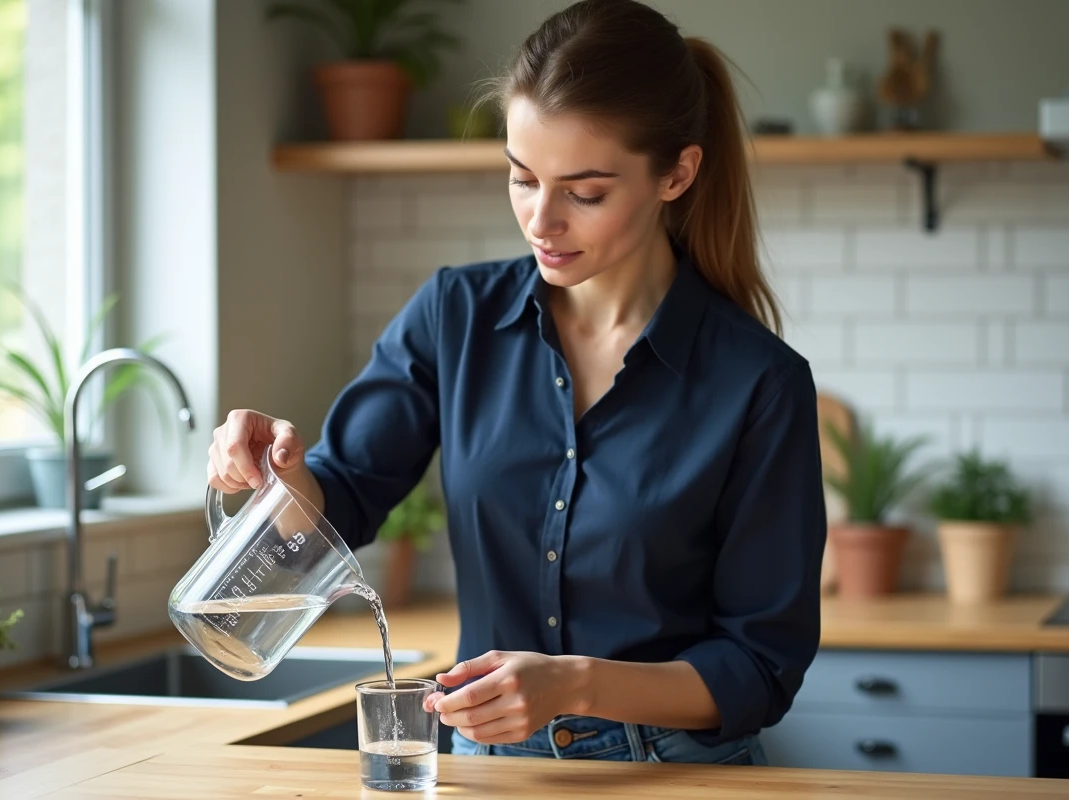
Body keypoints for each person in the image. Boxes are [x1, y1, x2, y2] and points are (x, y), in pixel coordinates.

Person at [207, 0, 825, 766]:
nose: (541, 220)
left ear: (677, 174)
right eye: (522, 178)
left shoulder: (760, 383)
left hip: (678, 774)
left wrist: (574, 685)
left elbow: (759, 667)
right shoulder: (454, 315)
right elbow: (345, 495)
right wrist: (278, 470)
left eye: (584, 193)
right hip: (491, 769)